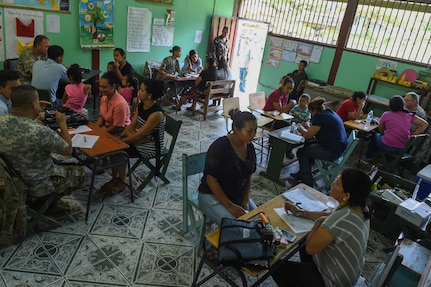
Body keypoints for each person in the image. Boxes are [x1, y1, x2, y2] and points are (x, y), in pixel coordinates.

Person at [272, 168, 372, 287]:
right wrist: (300, 212)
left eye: (337, 184)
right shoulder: (359, 208)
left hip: (332, 282)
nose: (333, 184)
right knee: (301, 243)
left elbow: (310, 248)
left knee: (276, 267)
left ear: (346, 196)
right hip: (346, 274)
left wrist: (318, 222)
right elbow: (329, 215)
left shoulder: (342, 217)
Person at [0, 85, 84, 201]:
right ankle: (46, 202)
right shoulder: (40, 131)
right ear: (34, 104)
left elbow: (22, 124)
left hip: (13, 181)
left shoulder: (1, 120)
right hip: (38, 185)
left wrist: (34, 110)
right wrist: (62, 124)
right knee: (79, 173)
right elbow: (67, 150)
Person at [98, 79, 166, 195]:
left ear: (149, 95)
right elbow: (131, 125)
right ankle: (115, 178)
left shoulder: (156, 114)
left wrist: (122, 141)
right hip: (139, 139)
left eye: (142, 90)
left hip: (151, 145)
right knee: (115, 146)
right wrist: (121, 136)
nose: (139, 92)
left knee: (119, 151)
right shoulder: (141, 105)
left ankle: (120, 181)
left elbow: (140, 134)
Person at [198, 110, 258, 226]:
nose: (253, 135)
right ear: (236, 129)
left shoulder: (250, 147)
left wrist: (245, 200)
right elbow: (211, 180)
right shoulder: (220, 147)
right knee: (237, 228)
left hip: (236, 195)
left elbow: (248, 176)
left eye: (255, 130)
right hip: (211, 195)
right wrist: (230, 206)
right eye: (249, 131)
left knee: (258, 220)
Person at [291, 97, 347, 187]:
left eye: (311, 112)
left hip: (332, 151)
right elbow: (319, 129)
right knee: (309, 145)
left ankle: (307, 182)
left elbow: (308, 135)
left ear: (314, 111)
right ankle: (302, 173)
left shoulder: (319, 117)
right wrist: (309, 126)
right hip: (339, 147)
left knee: (302, 152)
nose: (311, 115)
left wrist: (300, 128)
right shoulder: (328, 112)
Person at [363, 95, 428, 163]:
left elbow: (380, 129)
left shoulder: (386, 114)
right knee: (384, 139)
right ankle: (383, 158)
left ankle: (368, 157)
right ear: (403, 104)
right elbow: (425, 124)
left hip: (387, 145)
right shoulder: (409, 115)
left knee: (374, 135)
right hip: (403, 149)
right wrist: (415, 135)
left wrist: (385, 134)